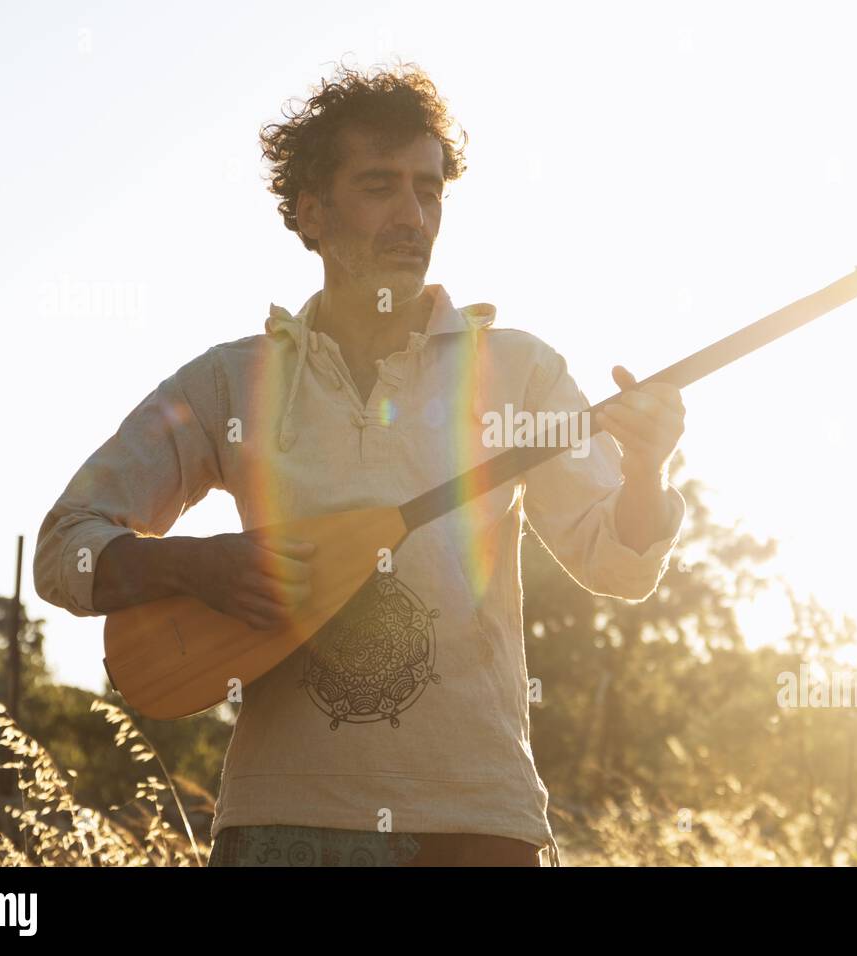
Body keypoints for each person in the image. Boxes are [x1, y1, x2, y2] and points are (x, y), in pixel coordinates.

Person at [33, 62, 686, 867]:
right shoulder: (229, 382)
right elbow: (67, 545)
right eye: (380, 186)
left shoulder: (521, 372)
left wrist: (648, 473)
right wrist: (197, 567)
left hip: (477, 823)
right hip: (282, 824)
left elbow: (616, 562)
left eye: (429, 189)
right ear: (311, 212)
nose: (413, 215)